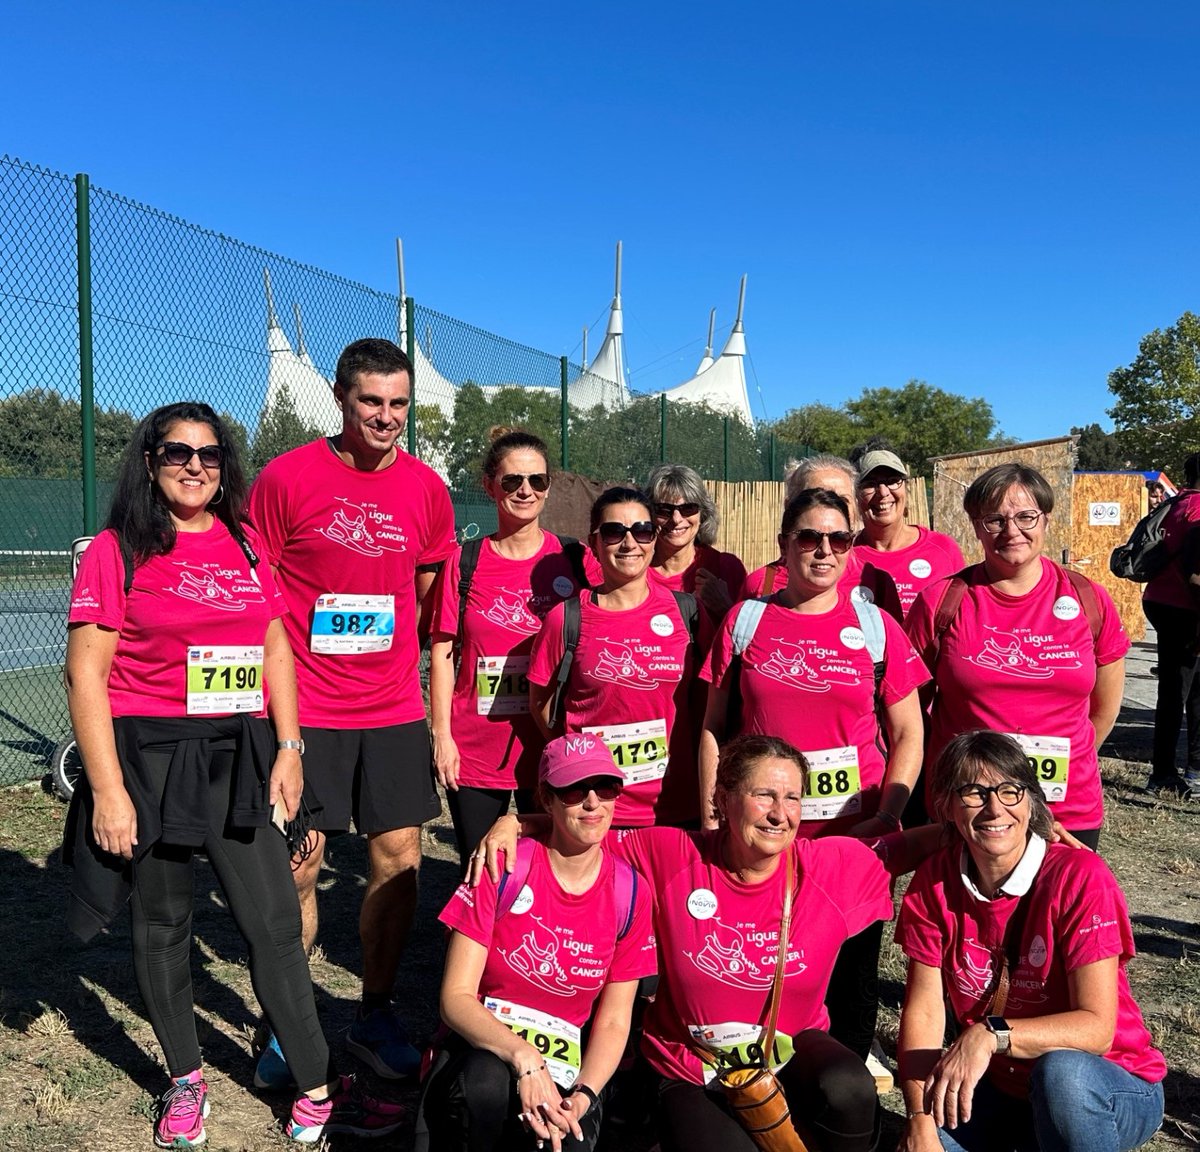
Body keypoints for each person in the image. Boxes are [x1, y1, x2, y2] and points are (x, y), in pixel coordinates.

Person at [64, 402, 403, 1147]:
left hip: (239, 753)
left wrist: (290, 746)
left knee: (275, 922)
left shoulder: (244, 542)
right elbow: (85, 674)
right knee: (164, 923)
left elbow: (275, 644)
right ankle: (186, 1080)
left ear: (225, 467)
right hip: (153, 759)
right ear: (149, 461)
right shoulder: (117, 550)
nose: (195, 466)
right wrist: (109, 790)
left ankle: (317, 1086)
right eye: (177, 452)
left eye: (210, 455)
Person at [476, 735, 946, 1152]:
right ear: (722, 798)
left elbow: (913, 846)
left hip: (789, 1052)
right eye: (764, 795)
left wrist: (980, 822)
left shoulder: (828, 865)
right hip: (690, 1064)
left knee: (850, 1089)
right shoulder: (671, 854)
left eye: (792, 798)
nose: (780, 813)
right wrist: (515, 823)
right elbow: (584, 826)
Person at [247, 338, 457, 1084]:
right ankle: (289, 1022)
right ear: (340, 398)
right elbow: (260, 590)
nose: (386, 416)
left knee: (399, 858)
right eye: (371, 401)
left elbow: (428, 592)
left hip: (392, 709)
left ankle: (375, 1009)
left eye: (399, 403)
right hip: (307, 711)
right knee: (300, 864)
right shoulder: (285, 478)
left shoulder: (426, 488)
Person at [699, 487, 928, 1059]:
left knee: (852, 974)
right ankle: (763, 1082)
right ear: (784, 544)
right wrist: (713, 811)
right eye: (809, 537)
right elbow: (712, 727)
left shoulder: (875, 627)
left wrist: (887, 817)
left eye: (839, 539)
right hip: (763, 835)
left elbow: (908, 733)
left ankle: (845, 1080)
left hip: (853, 838)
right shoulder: (747, 620)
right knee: (766, 963)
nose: (824, 550)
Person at [895, 730, 1166, 1152]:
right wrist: (919, 1120)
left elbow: (1097, 1029)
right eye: (973, 793)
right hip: (1004, 1088)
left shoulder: (1080, 876)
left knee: (1063, 1075)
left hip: (1109, 1081)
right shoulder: (933, 881)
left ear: (1031, 801)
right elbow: (925, 1012)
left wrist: (992, 1034)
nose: (994, 808)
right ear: (945, 806)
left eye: (1010, 790)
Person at [419, 733, 656, 1152]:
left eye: (605, 788)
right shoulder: (502, 865)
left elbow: (614, 1023)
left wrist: (583, 1096)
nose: (593, 802)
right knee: (485, 1086)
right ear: (546, 799)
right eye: (574, 790)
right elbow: (455, 998)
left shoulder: (631, 891)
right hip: (483, 1054)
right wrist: (525, 1057)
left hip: (566, 1073)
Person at [905, 463, 1129, 848]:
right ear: (976, 527)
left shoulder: (1089, 599)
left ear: (1045, 520)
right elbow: (910, 713)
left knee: (1059, 891)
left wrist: (1060, 767)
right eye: (995, 520)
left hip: (1067, 809)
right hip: (970, 808)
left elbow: (1104, 711)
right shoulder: (940, 603)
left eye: (1026, 517)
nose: (1012, 531)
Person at [429, 428, 588, 869]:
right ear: (490, 486)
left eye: (537, 480)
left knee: (554, 868)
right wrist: (442, 736)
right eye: (512, 480)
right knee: (480, 870)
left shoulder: (575, 561)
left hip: (552, 742)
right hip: (477, 746)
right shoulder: (465, 562)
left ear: (549, 487)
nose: (525, 490)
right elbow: (442, 652)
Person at [527, 487, 707, 828]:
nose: (629, 543)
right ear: (593, 543)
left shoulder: (688, 612)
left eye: (642, 530)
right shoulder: (566, 618)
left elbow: (708, 707)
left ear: (654, 538)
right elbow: (541, 703)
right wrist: (578, 755)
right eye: (613, 532)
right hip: (596, 810)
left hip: (676, 810)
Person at [741, 454, 904, 621]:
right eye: (817, 496)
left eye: (842, 500)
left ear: (856, 510)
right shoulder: (761, 584)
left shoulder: (877, 584)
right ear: (790, 507)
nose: (831, 508)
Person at [1140, 452, 1200, 798]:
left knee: (1179, 688)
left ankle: (1178, 769)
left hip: (1159, 601)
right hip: (1188, 607)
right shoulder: (1198, 510)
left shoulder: (1175, 504)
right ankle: (1170, 772)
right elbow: (1196, 574)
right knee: (1183, 691)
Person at [850, 442, 965, 619]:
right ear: (855, 494)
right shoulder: (843, 554)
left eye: (892, 481)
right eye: (870, 484)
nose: (883, 492)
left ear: (906, 487)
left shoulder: (943, 550)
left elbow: (962, 619)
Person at [644, 463, 746, 624]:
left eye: (688, 508)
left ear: (702, 513)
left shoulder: (726, 569)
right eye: (664, 509)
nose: (676, 519)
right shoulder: (634, 570)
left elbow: (749, 636)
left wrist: (725, 607)